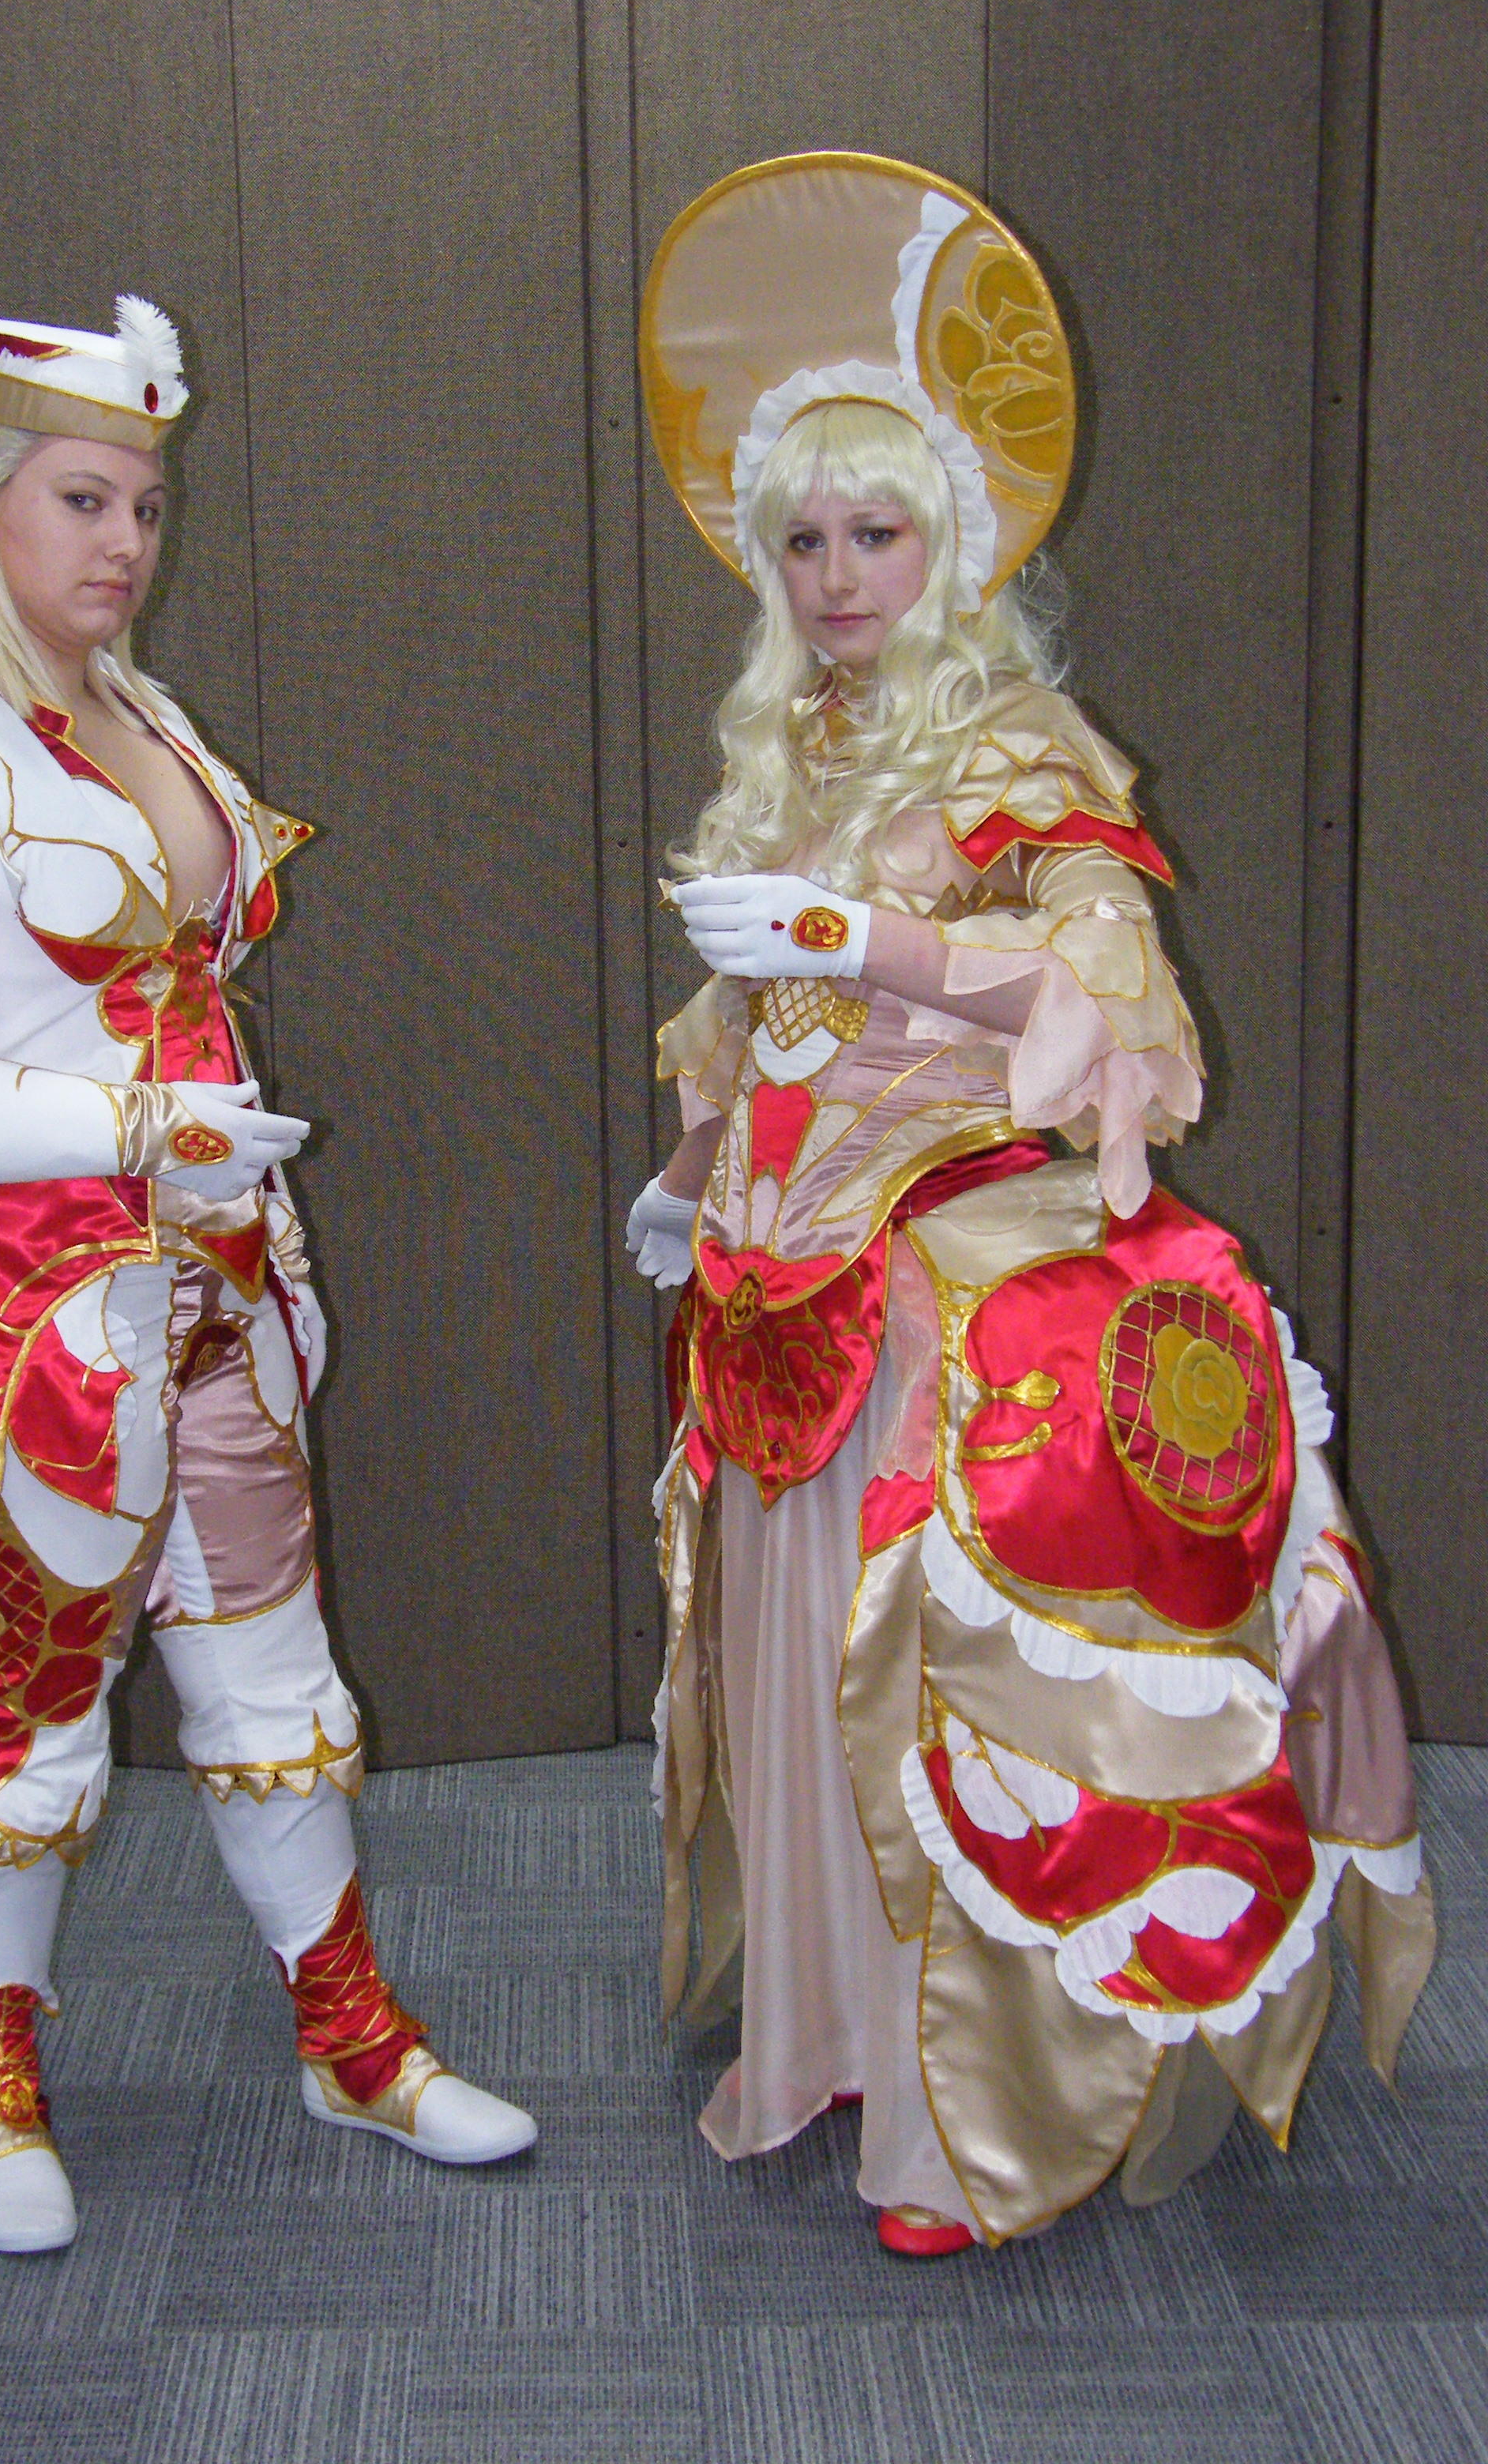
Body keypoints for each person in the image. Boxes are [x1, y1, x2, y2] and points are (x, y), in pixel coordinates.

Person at [626, 156, 1434, 2255]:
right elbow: (752, 1031)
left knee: (934, 1677)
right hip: (776, 1284)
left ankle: (951, 2118)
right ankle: (821, 2031)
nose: (837, 576)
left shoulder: (1022, 741)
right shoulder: (784, 755)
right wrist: (688, 1177)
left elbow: (1109, 988)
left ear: (954, 544)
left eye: (877, 533)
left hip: (949, 1284)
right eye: (803, 540)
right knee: (802, 1675)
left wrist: (870, 941)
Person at [0, 296, 535, 2254]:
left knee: (274, 1679)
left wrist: (186, 1159)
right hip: (21, 1320)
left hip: (220, 1284)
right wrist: (122, 1130)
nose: (125, 543)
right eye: (83, 500)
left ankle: (351, 2038)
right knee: (27, 1718)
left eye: (147, 507)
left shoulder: (137, 718)